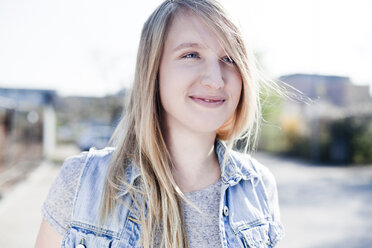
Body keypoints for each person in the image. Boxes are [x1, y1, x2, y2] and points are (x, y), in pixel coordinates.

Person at [35, 0, 284, 247]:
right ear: (153, 69)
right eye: (191, 55)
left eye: (229, 58)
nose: (216, 80)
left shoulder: (258, 186)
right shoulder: (82, 183)